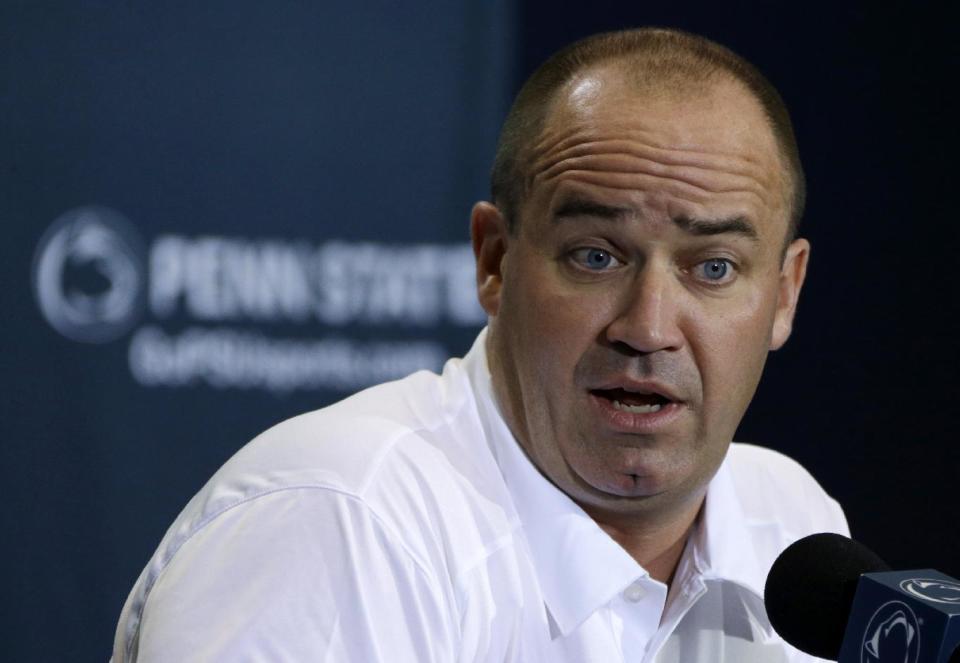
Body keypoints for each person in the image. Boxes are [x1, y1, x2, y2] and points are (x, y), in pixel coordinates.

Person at [113, 28, 847, 662]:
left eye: (712, 268)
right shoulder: (341, 521)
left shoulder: (788, 523)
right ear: (495, 261)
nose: (648, 327)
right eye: (596, 256)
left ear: (785, 293)